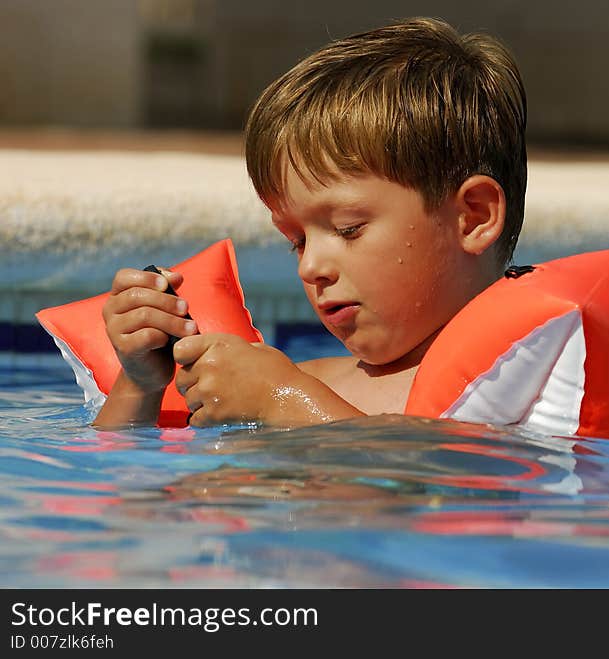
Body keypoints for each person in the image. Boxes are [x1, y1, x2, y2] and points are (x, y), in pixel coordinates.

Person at [93, 17, 528, 429]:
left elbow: (434, 482)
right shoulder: (307, 380)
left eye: (348, 229)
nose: (310, 267)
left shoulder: (521, 386)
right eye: (297, 241)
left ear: (472, 217)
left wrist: (284, 399)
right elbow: (119, 477)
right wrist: (140, 384)